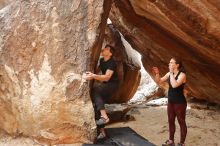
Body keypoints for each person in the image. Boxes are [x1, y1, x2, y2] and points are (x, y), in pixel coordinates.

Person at [85, 44, 119, 139]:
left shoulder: (112, 63)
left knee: (96, 90)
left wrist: (93, 76)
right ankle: (102, 132)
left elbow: (107, 77)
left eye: (106, 49)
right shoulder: (102, 60)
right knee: (96, 105)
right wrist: (91, 72)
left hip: (112, 85)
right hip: (105, 85)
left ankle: (105, 117)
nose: (103, 49)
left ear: (110, 53)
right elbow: (97, 70)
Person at [152, 57, 187, 146]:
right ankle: (171, 141)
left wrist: (171, 73)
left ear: (177, 65)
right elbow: (158, 81)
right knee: (171, 121)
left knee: (181, 121)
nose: (169, 64)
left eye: (171, 62)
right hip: (171, 101)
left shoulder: (182, 75)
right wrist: (157, 73)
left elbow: (175, 85)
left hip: (180, 103)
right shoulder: (169, 74)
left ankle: (182, 143)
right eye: (169, 62)